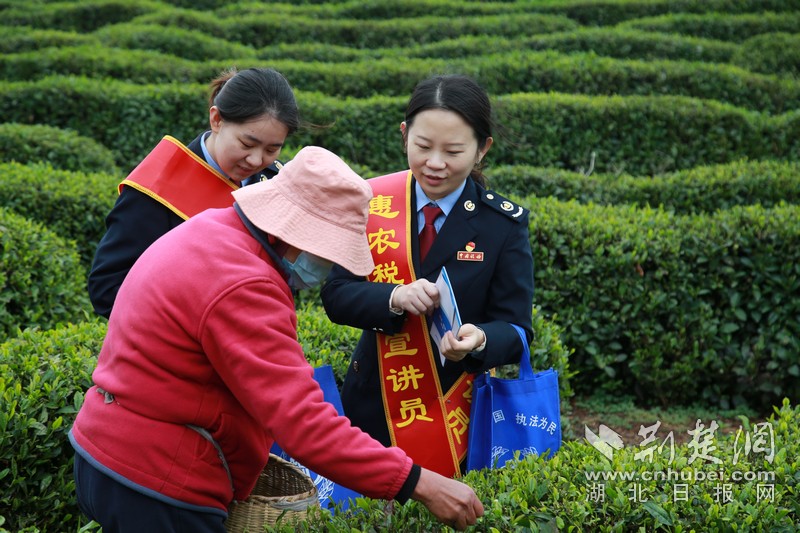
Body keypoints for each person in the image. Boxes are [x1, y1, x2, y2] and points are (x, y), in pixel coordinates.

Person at [69, 146, 484, 532]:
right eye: (329, 255)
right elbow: (304, 424)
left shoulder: (215, 229)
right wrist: (418, 483)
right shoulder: (244, 283)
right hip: (157, 482)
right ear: (297, 235)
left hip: (108, 451)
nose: (327, 268)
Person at [320, 74, 535, 478]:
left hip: (458, 410)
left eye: (453, 151)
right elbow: (335, 295)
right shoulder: (374, 202)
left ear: (482, 149)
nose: (435, 164)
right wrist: (393, 297)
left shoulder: (502, 225)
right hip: (374, 402)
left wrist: (481, 339)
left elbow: (516, 328)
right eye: (422, 146)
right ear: (404, 135)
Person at [88, 66, 300, 319]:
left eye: (272, 150)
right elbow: (108, 289)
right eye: (247, 144)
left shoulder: (274, 183)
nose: (256, 160)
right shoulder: (155, 190)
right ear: (217, 120)